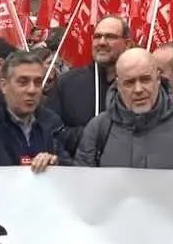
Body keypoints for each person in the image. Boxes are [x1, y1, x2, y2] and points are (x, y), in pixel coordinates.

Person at [75, 47, 173, 174]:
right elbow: (82, 181)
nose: (138, 90)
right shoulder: (99, 127)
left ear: (157, 79)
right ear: (118, 85)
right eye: (129, 83)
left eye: (145, 80)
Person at [49, 15, 130, 155]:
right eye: (97, 37)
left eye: (110, 37)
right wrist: (88, 136)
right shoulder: (67, 83)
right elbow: (51, 130)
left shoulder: (140, 84)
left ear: (127, 44)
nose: (102, 42)